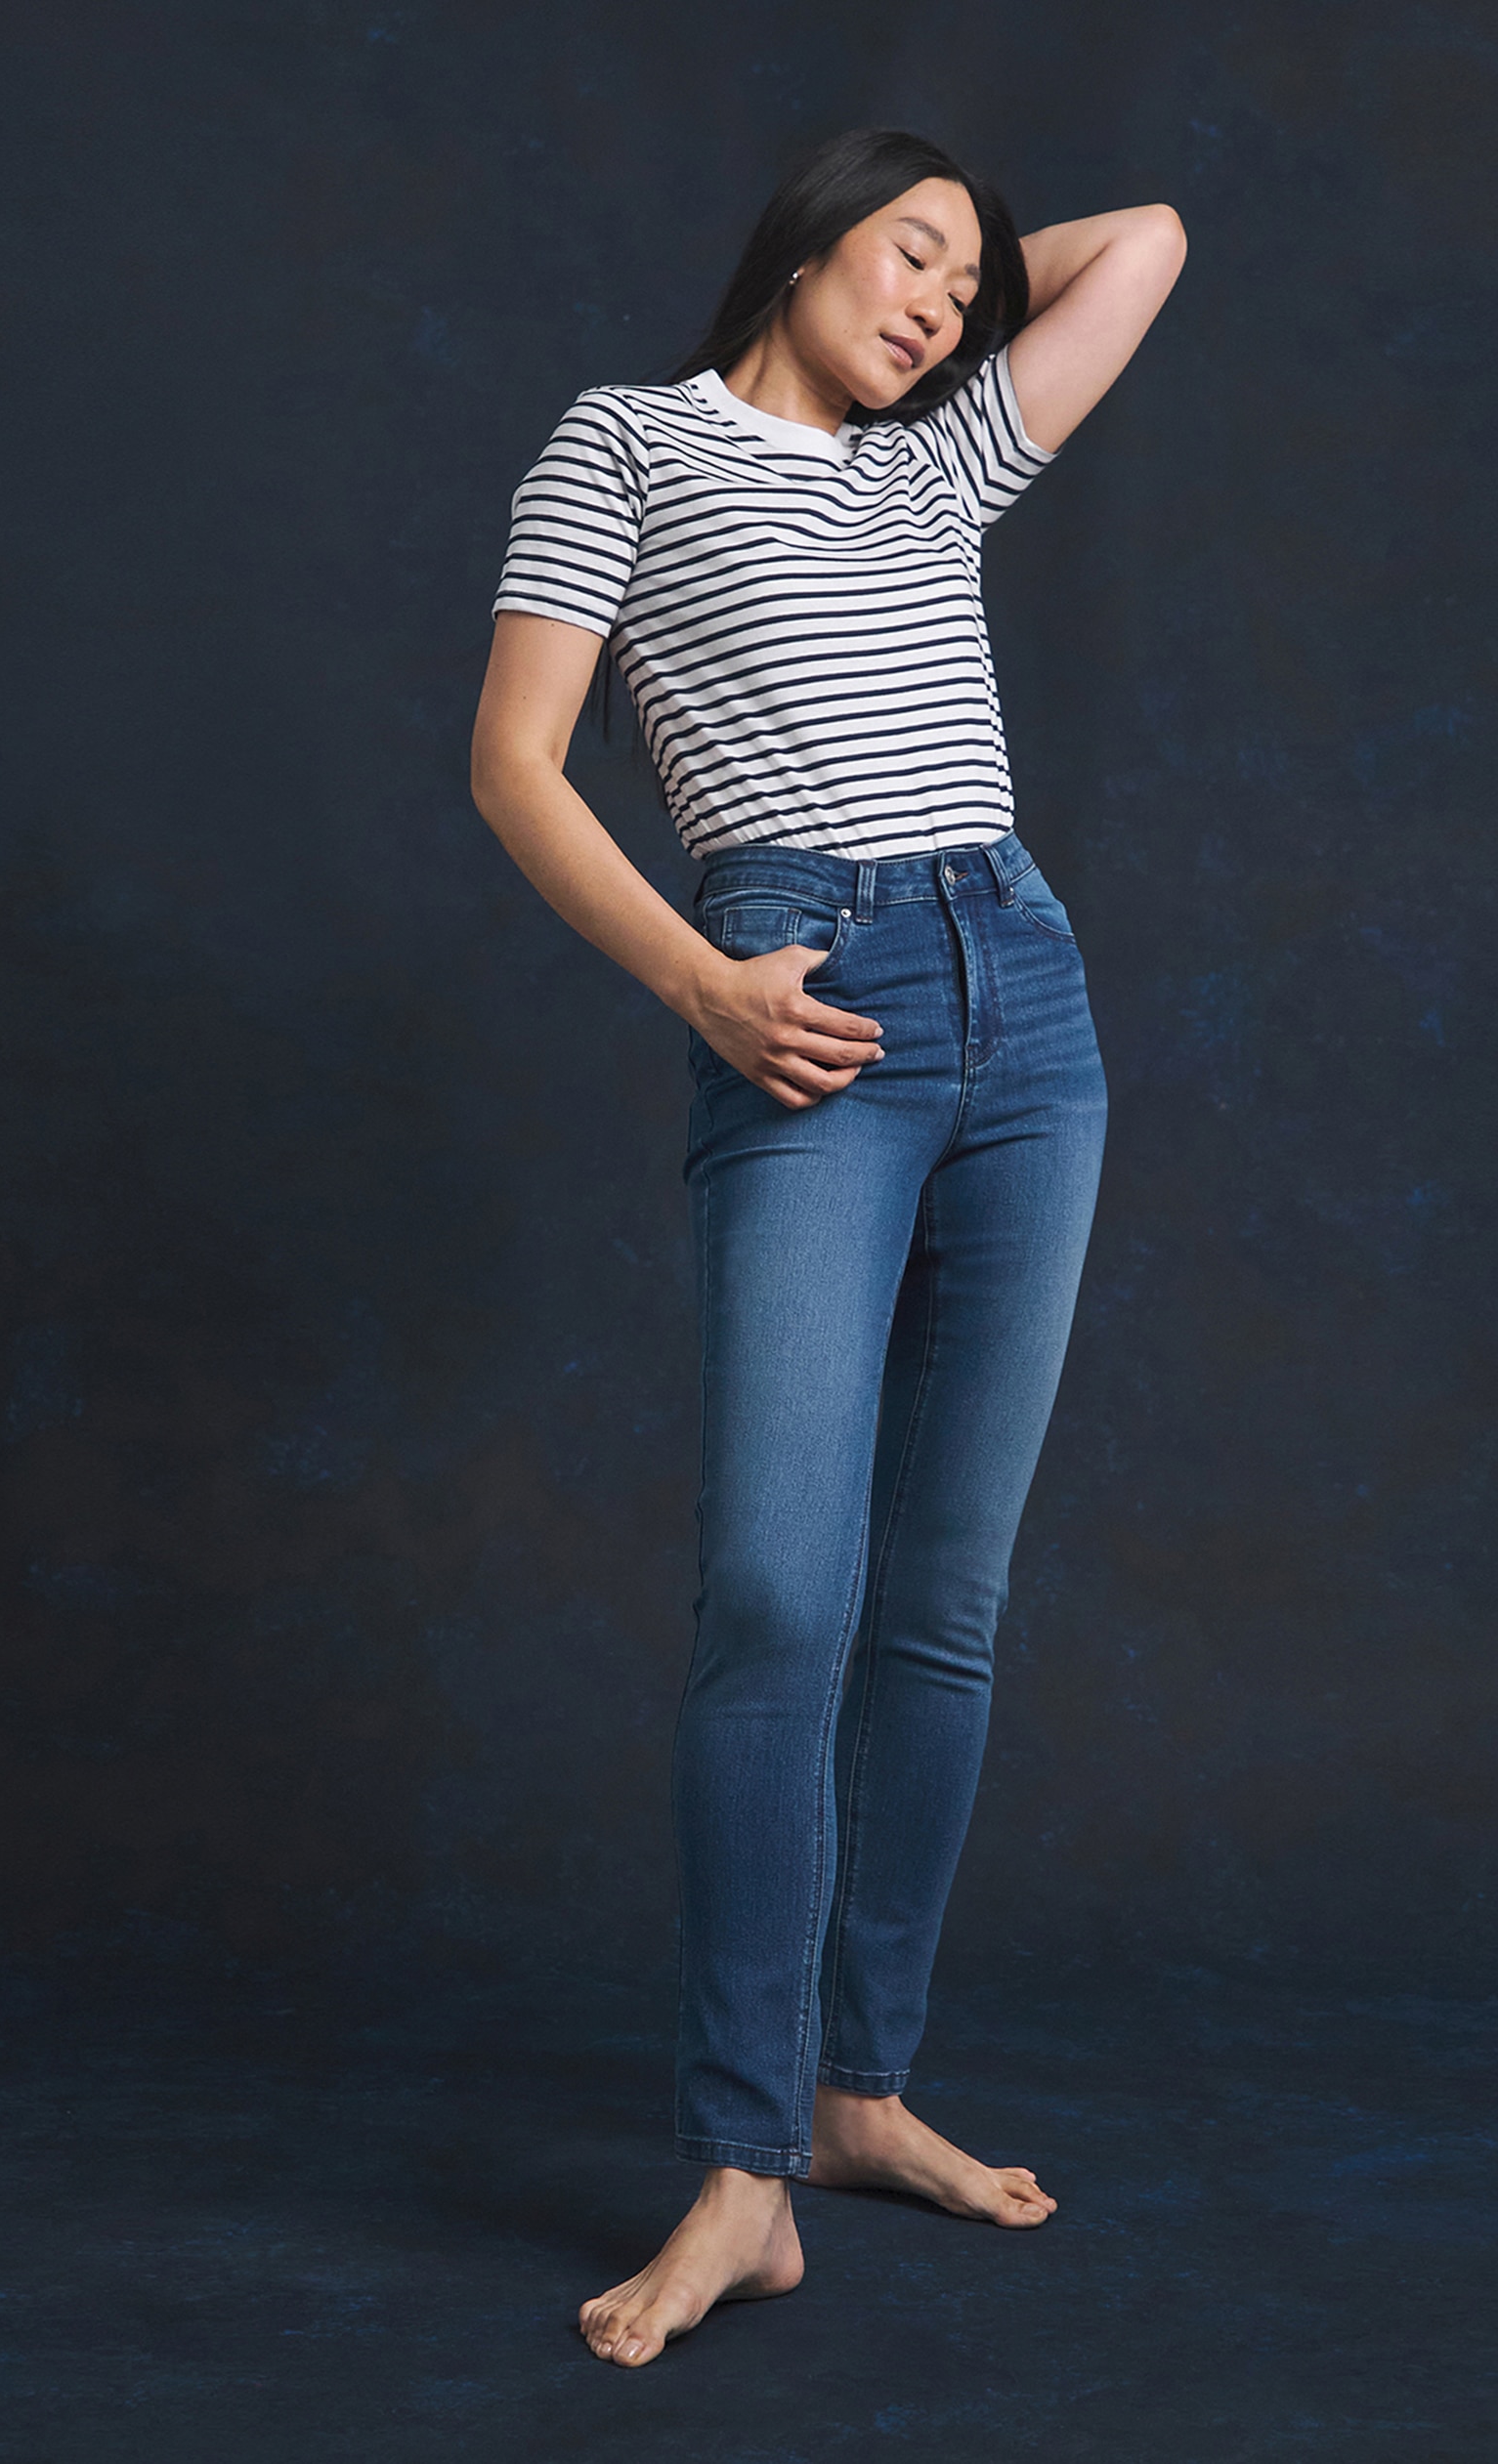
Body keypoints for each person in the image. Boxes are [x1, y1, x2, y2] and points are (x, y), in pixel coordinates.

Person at [470, 126, 1184, 2367]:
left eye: (963, 291)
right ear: (794, 241)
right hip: (802, 990)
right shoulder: (624, 442)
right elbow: (513, 760)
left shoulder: (934, 467)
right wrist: (702, 980)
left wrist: (956, 263)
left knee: (944, 1599)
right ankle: (739, 2161)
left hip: (1027, 1000)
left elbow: (1147, 243)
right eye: (897, 260)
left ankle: (860, 2089)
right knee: (783, 1589)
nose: (936, 311)